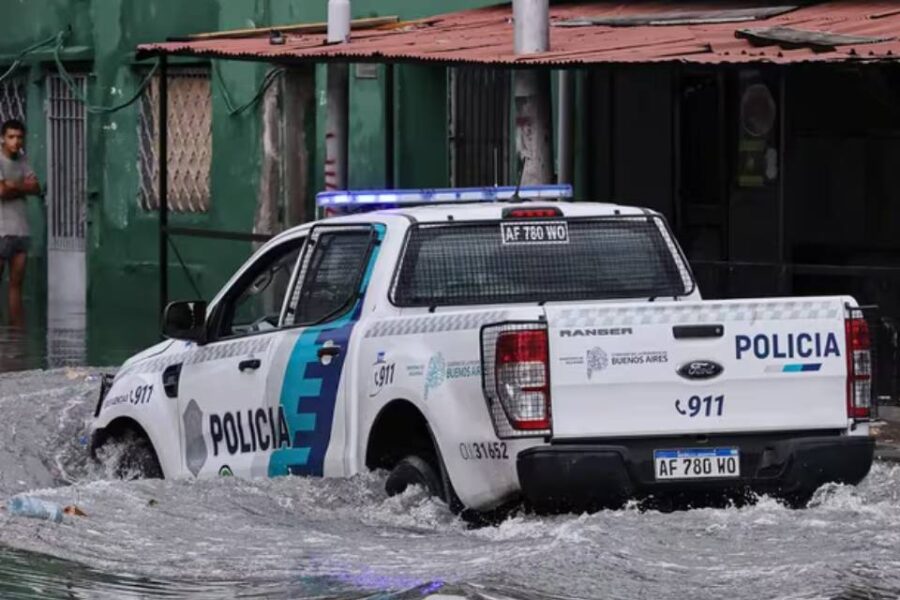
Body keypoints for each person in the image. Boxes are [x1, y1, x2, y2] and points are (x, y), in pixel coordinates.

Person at [0, 119, 40, 325]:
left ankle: (16, 337)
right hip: (1, 231)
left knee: (16, 287)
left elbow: (36, 187)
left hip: (21, 232)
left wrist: (13, 185)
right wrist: (22, 186)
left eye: (19, 137)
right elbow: (2, 191)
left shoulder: (23, 160)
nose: (16, 141)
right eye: (11, 137)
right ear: (2, 138)